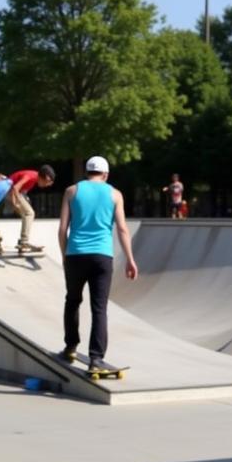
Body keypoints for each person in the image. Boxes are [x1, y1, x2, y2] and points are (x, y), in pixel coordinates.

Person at [57, 155, 138, 375]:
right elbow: (122, 229)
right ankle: (96, 358)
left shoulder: (72, 191)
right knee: (99, 308)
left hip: (75, 255)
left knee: (72, 300)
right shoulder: (115, 194)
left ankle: (71, 346)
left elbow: (63, 228)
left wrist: (65, 255)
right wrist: (130, 259)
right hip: (102, 257)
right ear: (106, 174)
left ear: (86, 172)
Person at [7, 164, 56, 252]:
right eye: (46, 184)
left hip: (15, 192)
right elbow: (15, 187)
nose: (45, 186)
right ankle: (24, 241)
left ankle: (22, 241)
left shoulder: (34, 178)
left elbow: (23, 190)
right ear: (45, 178)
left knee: (26, 215)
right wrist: (14, 203)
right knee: (30, 213)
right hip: (10, 191)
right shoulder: (30, 176)